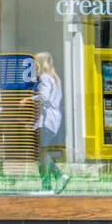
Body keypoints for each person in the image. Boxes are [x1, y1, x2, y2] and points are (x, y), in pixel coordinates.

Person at [34, 52, 69, 194]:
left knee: (42, 153)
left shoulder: (44, 78)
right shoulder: (55, 78)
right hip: (53, 119)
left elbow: (43, 97)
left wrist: (29, 99)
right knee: (42, 152)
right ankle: (46, 184)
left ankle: (59, 176)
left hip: (47, 120)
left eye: (36, 62)